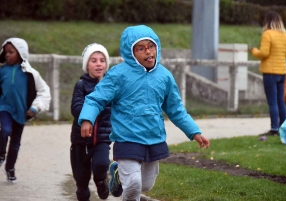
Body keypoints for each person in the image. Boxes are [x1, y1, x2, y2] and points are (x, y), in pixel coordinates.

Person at [78, 25, 210, 201]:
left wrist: (194, 132)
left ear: (157, 47)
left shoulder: (164, 76)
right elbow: (96, 98)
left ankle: (117, 173)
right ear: (130, 52)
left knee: (146, 185)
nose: (148, 52)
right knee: (133, 185)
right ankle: (125, 181)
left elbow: (176, 110)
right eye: (141, 48)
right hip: (127, 137)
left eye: (151, 46)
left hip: (153, 137)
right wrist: (87, 118)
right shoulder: (119, 75)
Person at [0, 37, 51, 182]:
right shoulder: (2, 71)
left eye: (11, 52)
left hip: (21, 112)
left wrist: (35, 108)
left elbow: (44, 91)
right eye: (6, 52)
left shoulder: (31, 74)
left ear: (21, 53)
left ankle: (10, 168)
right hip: (4, 108)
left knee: (15, 143)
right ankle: (1, 154)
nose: (7, 55)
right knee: (4, 130)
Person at [70, 43, 112, 201]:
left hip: (102, 138)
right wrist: (88, 115)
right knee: (81, 182)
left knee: (101, 164)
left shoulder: (111, 86)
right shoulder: (81, 85)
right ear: (86, 65)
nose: (99, 64)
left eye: (102, 60)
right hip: (80, 141)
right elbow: (76, 108)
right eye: (93, 60)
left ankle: (101, 181)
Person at [250, 10, 286, 136]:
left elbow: (264, 53)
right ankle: (283, 127)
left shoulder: (267, 34)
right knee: (280, 101)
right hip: (282, 72)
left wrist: (254, 51)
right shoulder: (285, 35)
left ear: (267, 21)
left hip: (270, 72)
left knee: (272, 102)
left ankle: (274, 128)